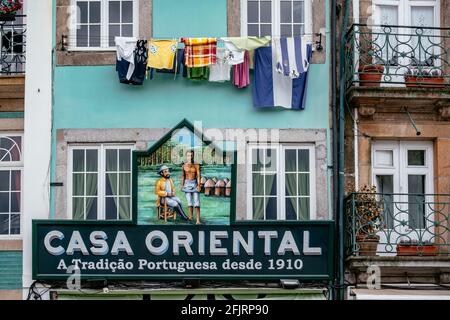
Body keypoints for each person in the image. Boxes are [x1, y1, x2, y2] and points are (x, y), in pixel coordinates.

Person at [181, 150, 202, 224]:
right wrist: (182, 185)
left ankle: (198, 220)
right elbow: (183, 176)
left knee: (197, 202)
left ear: (193, 156)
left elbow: (199, 176)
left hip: (194, 184)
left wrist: (199, 185)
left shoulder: (197, 165)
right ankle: (190, 216)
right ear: (186, 156)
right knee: (189, 202)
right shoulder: (184, 166)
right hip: (187, 184)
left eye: (191, 155)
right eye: (188, 155)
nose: (190, 157)